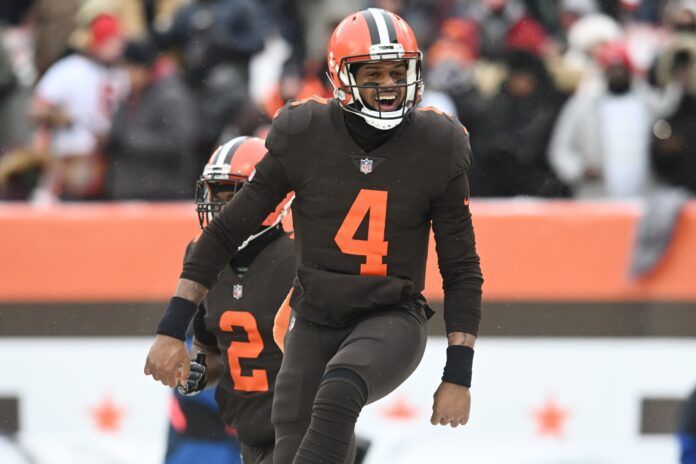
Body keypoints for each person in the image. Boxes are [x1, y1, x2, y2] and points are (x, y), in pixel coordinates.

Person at [145, 8, 483, 464]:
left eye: (396, 70)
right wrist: (171, 328)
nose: (388, 84)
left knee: (340, 390)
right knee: (285, 440)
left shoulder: (437, 143)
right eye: (374, 72)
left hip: (391, 314)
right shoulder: (304, 133)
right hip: (314, 319)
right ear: (343, 77)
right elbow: (227, 230)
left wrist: (458, 373)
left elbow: (460, 267)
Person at [162, 136, 296, 464]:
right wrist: (197, 371)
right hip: (243, 428)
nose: (217, 208)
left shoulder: (299, 259)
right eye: (214, 194)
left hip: (298, 428)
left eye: (230, 196)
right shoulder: (205, 259)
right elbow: (209, 351)